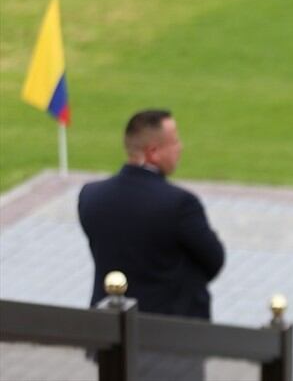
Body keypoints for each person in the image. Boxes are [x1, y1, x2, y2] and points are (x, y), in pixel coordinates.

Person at [79, 109, 225, 318]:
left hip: (108, 326)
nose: (180, 147)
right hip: (170, 332)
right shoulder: (180, 204)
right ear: (153, 152)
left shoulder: (91, 195)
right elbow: (214, 259)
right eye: (174, 142)